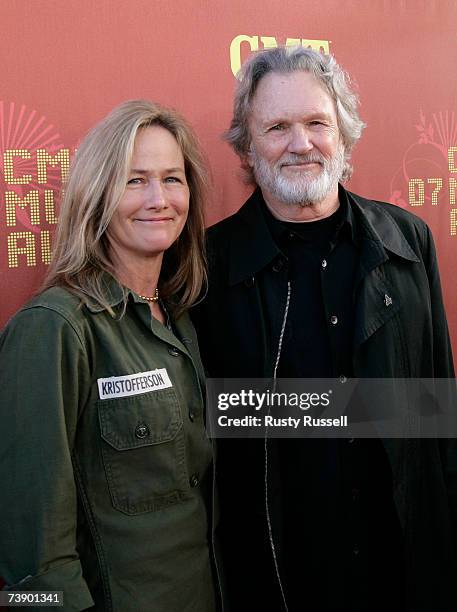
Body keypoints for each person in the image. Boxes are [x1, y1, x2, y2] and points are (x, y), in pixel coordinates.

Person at [193, 47, 457, 611]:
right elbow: (213, 422)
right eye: (277, 127)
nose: (301, 143)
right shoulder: (207, 266)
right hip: (279, 574)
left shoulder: (409, 243)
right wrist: (365, 406)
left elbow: (436, 409)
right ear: (246, 144)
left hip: (403, 567)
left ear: (344, 134)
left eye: (318, 123)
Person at [0, 100, 221, 611]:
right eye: (134, 180)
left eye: (172, 179)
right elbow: (32, 559)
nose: (159, 198)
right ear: (96, 193)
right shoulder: (54, 330)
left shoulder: (182, 320)